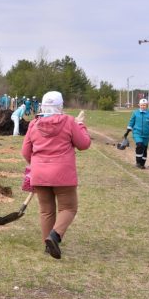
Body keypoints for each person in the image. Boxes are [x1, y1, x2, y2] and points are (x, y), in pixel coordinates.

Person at [21, 90, 90, 259]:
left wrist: (37, 164)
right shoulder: (69, 121)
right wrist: (80, 125)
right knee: (69, 208)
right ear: (60, 106)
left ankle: (47, 245)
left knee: (46, 211)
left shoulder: (34, 124)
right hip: (62, 175)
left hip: (39, 174)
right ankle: (55, 235)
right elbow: (84, 144)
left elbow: (25, 151)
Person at [124, 98, 149, 169]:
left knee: (145, 149)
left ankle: (142, 164)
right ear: (139, 105)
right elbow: (131, 122)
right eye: (141, 105)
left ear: (147, 106)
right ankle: (138, 162)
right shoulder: (135, 113)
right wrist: (128, 130)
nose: (143, 106)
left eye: (144, 105)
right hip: (137, 133)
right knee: (140, 145)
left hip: (146, 135)